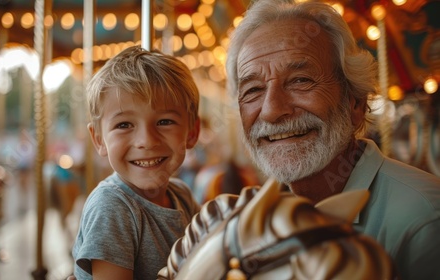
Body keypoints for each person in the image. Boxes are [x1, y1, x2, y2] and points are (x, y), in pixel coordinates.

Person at [221, 0, 440, 279]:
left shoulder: (423, 220)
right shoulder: (257, 219)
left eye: (300, 80)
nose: (272, 110)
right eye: (252, 89)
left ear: (355, 103)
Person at [72, 45, 201, 280]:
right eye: (124, 125)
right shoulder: (112, 206)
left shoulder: (182, 196)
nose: (146, 141)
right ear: (99, 139)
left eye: (164, 121)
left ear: (192, 131)